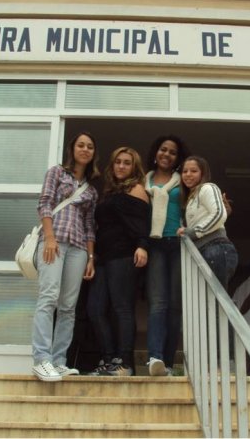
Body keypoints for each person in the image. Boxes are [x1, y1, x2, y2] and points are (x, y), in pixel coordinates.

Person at [32, 131, 100, 382]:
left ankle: (59, 361)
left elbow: (90, 225)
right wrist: (49, 238)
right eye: (81, 145)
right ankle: (42, 359)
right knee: (48, 297)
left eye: (90, 146)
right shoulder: (56, 172)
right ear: (72, 149)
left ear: (94, 153)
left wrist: (91, 257)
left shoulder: (91, 190)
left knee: (68, 307)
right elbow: (45, 203)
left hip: (79, 248)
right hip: (54, 242)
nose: (85, 149)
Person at [87, 147, 151, 377]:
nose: (122, 166)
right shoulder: (108, 192)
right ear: (112, 165)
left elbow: (143, 222)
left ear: (134, 167)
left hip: (124, 255)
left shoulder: (137, 189)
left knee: (122, 308)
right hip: (104, 257)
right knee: (94, 309)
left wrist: (143, 245)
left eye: (127, 163)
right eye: (118, 162)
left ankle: (124, 363)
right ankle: (108, 360)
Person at [143, 135, 190, 377]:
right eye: (163, 149)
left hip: (179, 244)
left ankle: (168, 364)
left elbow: (197, 205)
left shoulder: (184, 181)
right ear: (156, 153)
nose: (167, 154)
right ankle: (155, 358)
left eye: (172, 152)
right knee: (158, 303)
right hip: (155, 245)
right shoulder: (143, 182)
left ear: (177, 158)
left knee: (175, 307)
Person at [177, 156, 238, 289]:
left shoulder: (207, 187)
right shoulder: (191, 198)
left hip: (215, 249)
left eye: (193, 171)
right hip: (207, 251)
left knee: (216, 301)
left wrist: (194, 232)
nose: (188, 174)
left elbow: (218, 213)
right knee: (210, 302)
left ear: (202, 174)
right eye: (184, 171)